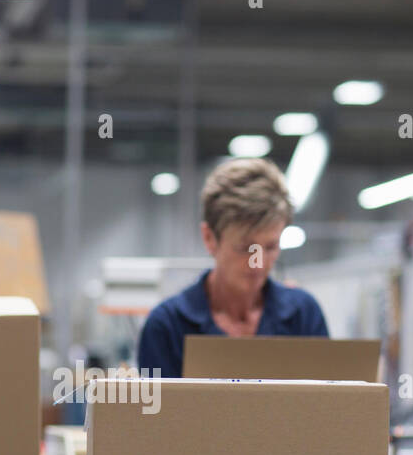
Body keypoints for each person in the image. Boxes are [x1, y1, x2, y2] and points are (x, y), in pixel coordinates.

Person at [137, 158, 329, 377]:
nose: (259, 262)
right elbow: (155, 411)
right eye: (246, 248)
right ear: (209, 238)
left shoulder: (303, 316)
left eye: (270, 246)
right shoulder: (167, 327)